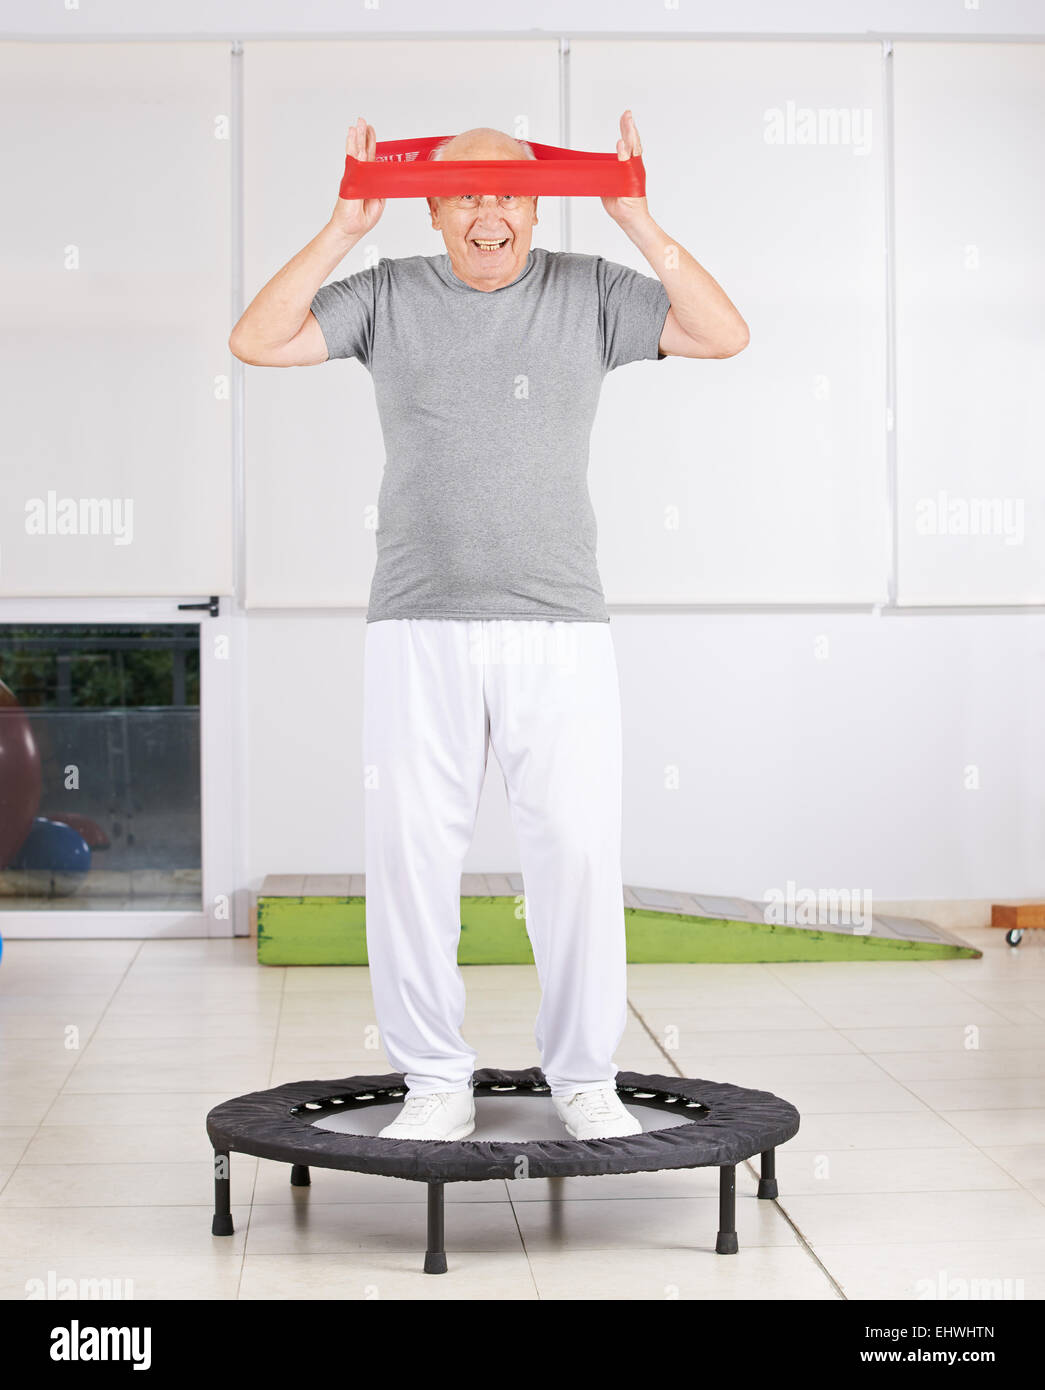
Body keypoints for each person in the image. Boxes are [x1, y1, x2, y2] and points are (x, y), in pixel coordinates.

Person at [230, 111, 748, 1141]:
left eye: (507, 192)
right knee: (413, 851)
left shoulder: (591, 290)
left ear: (535, 204)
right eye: (465, 193)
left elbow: (721, 333)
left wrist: (638, 221)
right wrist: (342, 227)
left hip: (559, 625)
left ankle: (585, 1080)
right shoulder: (384, 295)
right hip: (416, 622)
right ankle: (431, 1082)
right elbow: (255, 339)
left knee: (578, 853)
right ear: (431, 209)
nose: (488, 212)